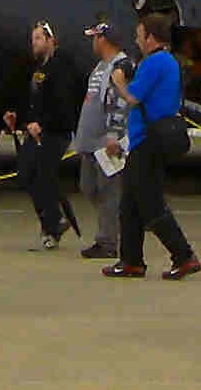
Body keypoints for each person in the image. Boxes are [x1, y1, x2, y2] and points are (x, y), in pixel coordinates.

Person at [104, 11, 200, 280]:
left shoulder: (153, 63)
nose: (136, 40)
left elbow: (133, 97)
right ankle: (131, 260)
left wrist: (120, 83)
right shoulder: (168, 61)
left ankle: (183, 255)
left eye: (139, 35)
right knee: (130, 205)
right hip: (151, 139)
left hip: (147, 141)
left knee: (150, 204)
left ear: (151, 37)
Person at [3, 20, 83, 250]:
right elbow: (35, 102)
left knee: (44, 175)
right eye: (32, 39)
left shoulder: (61, 67)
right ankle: (53, 221)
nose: (34, 44)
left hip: (56, 132)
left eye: (38, 38)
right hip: (37, 131)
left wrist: (44, 123)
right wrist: (17, 118)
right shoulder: (39, 69)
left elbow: (64, 104)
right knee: (27, 173)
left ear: (51, 41)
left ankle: (52, 224)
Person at [74, 20, 133, 261]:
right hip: (90, 142)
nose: (92, 42)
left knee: (108, 192)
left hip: (106, 143)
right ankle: (112, 226)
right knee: (88, 187)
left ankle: (108, 242)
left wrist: (113, 136)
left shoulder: (121, 66)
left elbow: (119, 102)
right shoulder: (100, 66)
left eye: (95, 37)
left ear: (104, 40)